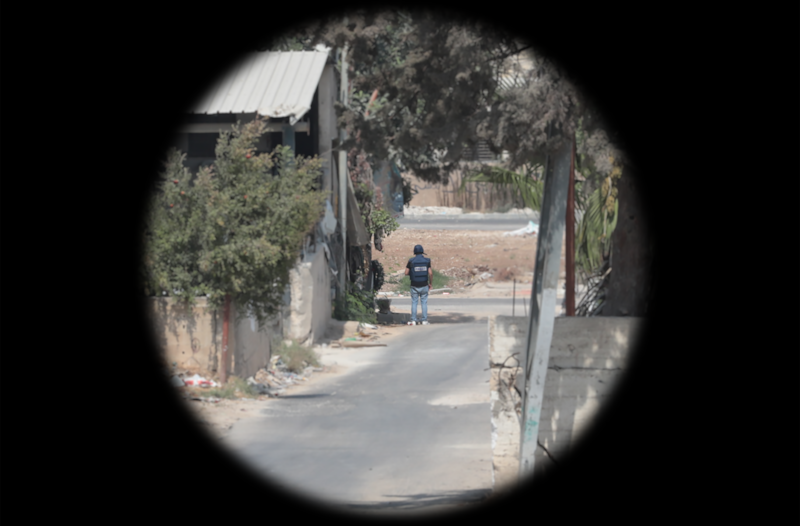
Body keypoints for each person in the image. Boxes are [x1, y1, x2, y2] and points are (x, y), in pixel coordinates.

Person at [405, 244, 432, 325]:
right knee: (424, 302)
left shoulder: (411, 261)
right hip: (424, 284)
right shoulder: (427, 261)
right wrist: (430, 283)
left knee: (414, 302)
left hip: (414, 285)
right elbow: (430, 273)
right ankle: (424, 320)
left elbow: (406, 273)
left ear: (414, 252)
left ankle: (413, 320)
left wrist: (413, 273)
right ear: (422, 252)